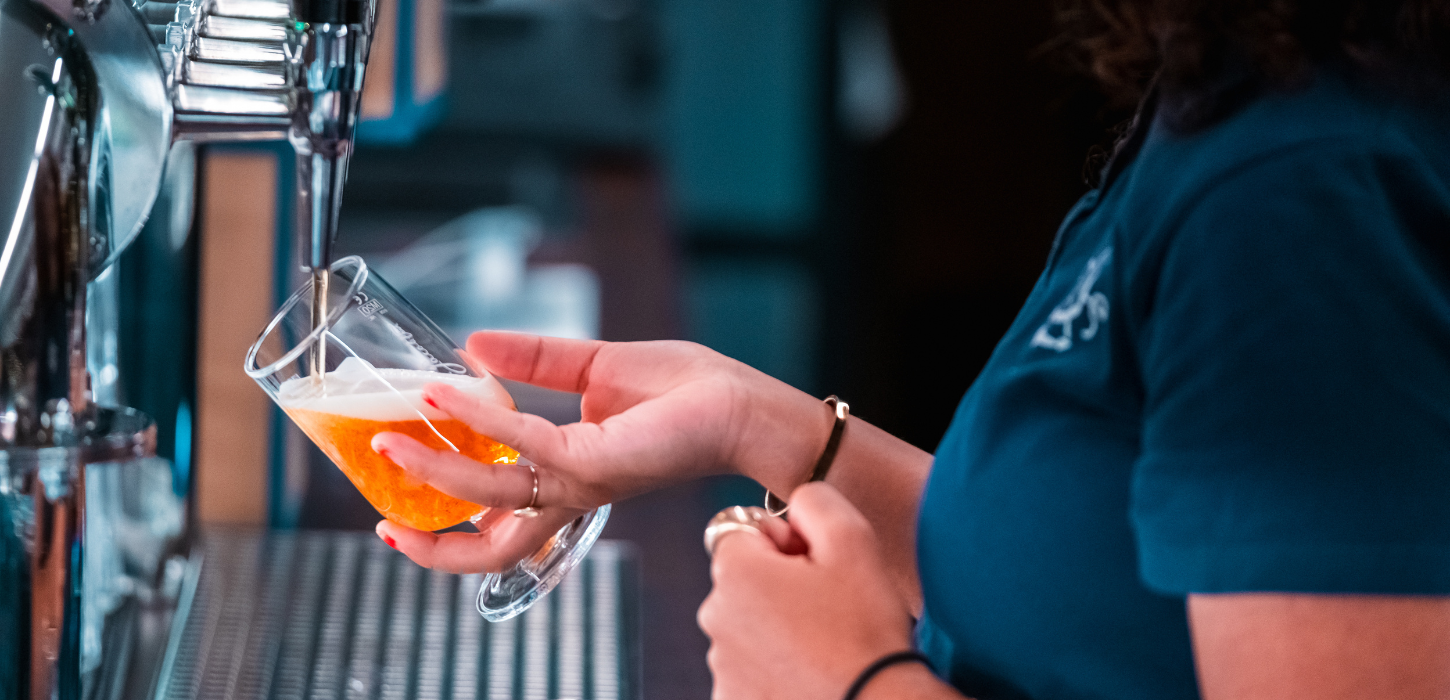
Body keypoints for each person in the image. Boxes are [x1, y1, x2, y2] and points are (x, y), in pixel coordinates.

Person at [371, 1, 1450, 698]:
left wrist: (853, 680)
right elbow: (1099, 599)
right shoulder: (1236, 99)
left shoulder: (1298, 191)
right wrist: (770, 429)